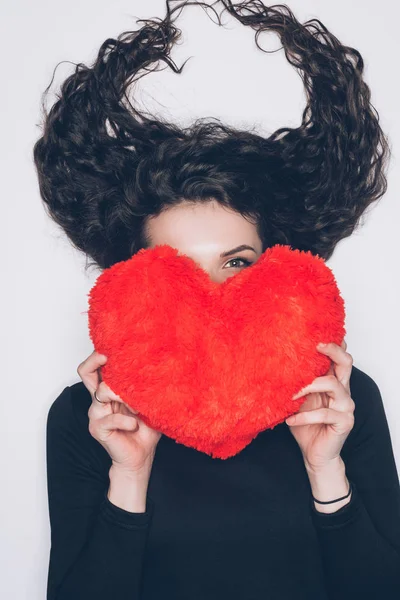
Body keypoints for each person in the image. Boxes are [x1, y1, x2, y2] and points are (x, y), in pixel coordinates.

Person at [33, 1, 400, 599]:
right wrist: (130, 474)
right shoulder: (86, 417)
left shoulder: (337, 402)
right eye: (179, 268)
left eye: (236, 262)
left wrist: (325, 470)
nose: (211, 294)